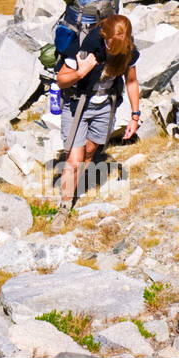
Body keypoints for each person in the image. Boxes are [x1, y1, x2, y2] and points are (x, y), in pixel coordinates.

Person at [51, 13, 141, 230]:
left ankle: (75, 186)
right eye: (108, 41)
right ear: (104, 34)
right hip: (77, 105)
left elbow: (131, 81)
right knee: (74, 159)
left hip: (104, 107)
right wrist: (81, 72)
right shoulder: (86, 45)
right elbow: (61, 80)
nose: (111, 47)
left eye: (116, 44)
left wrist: (135, 115)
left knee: (90, 153)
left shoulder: (129, 52)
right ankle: (64, 207)